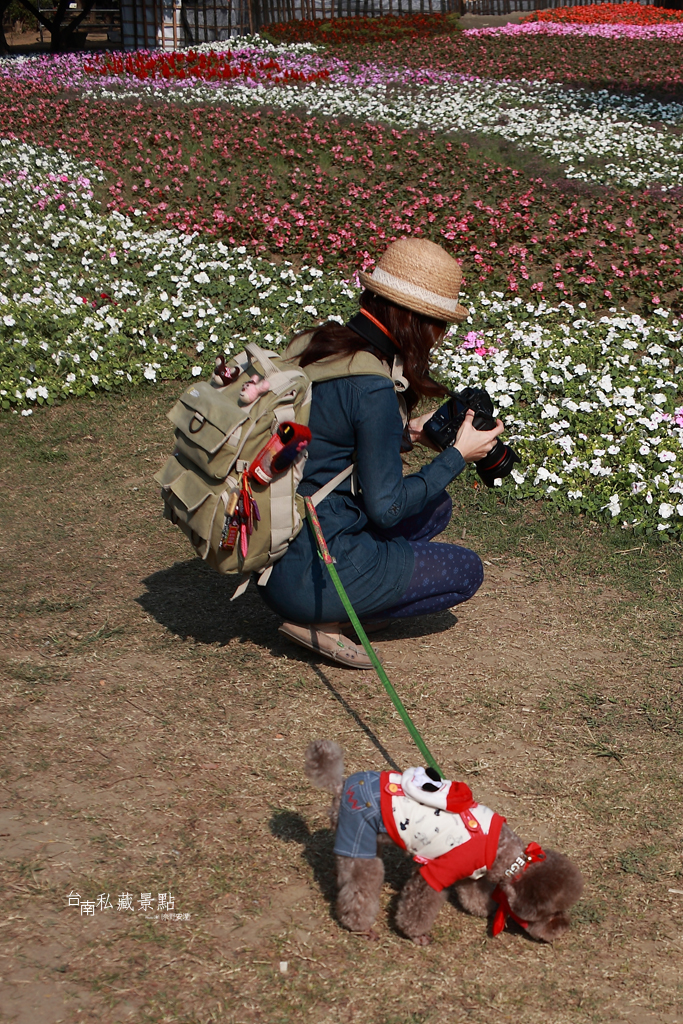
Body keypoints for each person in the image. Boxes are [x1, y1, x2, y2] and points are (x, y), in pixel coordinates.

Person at [260, 238, 505, 668]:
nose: (441, 337)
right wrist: (457, 456)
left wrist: (408, 431)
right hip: (314, 570)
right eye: (440, 325)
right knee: (465, 571)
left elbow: (330, 435)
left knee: (436, 507)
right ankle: (325, 616)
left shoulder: (323, 343)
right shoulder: (372, 386)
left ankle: (340, 599)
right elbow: (388, 508)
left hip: (273, 539)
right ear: (415, 321)